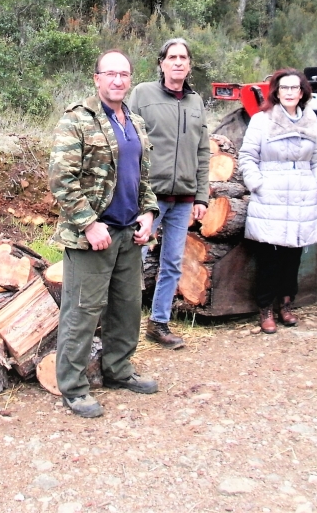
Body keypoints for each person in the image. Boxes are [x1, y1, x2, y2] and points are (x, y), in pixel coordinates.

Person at [48, 50, 160, 418]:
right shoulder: (77, 120)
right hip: (92, 237)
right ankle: (74, 388)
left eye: (124, 74)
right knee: (82, 313)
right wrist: (88, 223)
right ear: (96, 79)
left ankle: (119, 370)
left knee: (127, 310)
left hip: (129, 235)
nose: (117, 80)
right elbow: (61, 180)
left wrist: (148, 212)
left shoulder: (136, 123)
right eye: (110, 73)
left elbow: (143, 178)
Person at [128, 38, 210, 348]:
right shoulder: (142, 95)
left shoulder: (196, 103)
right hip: (148, 197)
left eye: (183, 58)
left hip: (183, 199)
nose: (177, 62)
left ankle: (158, 324)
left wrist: (201, 196)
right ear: (162, 63)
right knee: (132, 259)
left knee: (172, 263)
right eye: (171, 57)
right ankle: (121, 322)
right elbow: (128, 141)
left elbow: (203, 152)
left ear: (189, 65)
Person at [239, 69, 317, 334]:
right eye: (284, 88)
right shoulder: (261, 120)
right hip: (272, 193)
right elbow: (247, 157)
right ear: (276, 92)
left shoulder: (311, 120)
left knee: (293, 255)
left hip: (302, 194)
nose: (290, 93)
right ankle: (265, 307)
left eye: (295, 88)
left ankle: (286, 303)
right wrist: (258, 184)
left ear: (302, 92)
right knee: (270, 256)